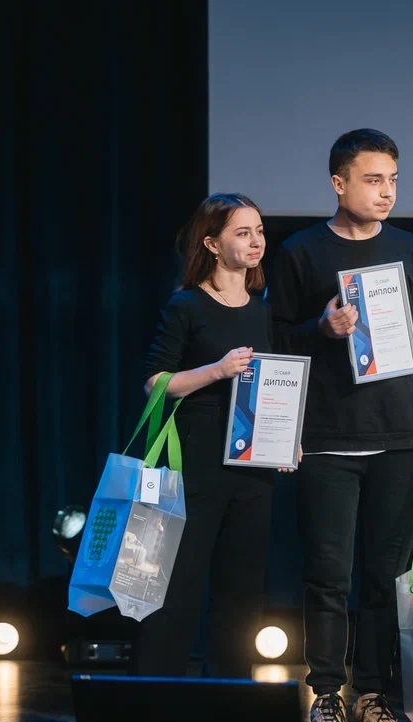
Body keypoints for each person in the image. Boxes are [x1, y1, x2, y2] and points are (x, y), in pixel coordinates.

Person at [268, 129, 413, 722]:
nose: (386, 192)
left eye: (393, 180)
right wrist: (320, 328)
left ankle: (372, 697)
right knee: (327, 577)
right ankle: (326, 697)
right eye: (373, 180)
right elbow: (274, 342)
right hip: (326, 440)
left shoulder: (410, 249)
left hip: (398, 439)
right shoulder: (301, 251)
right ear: (338, 183)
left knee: (383, 579)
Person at [136, 192, 286, 678]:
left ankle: (230, 697)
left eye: (259, 231)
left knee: (242, 595)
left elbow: (271, 385)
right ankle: (157, 698)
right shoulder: (187, 305)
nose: (256, 241)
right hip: (195, 466)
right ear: (212, 243)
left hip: (251, 470)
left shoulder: (262, 309)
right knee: (176, 588)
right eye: (242, 233)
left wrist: (285, 437)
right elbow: (155, 383)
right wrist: (216, 371)